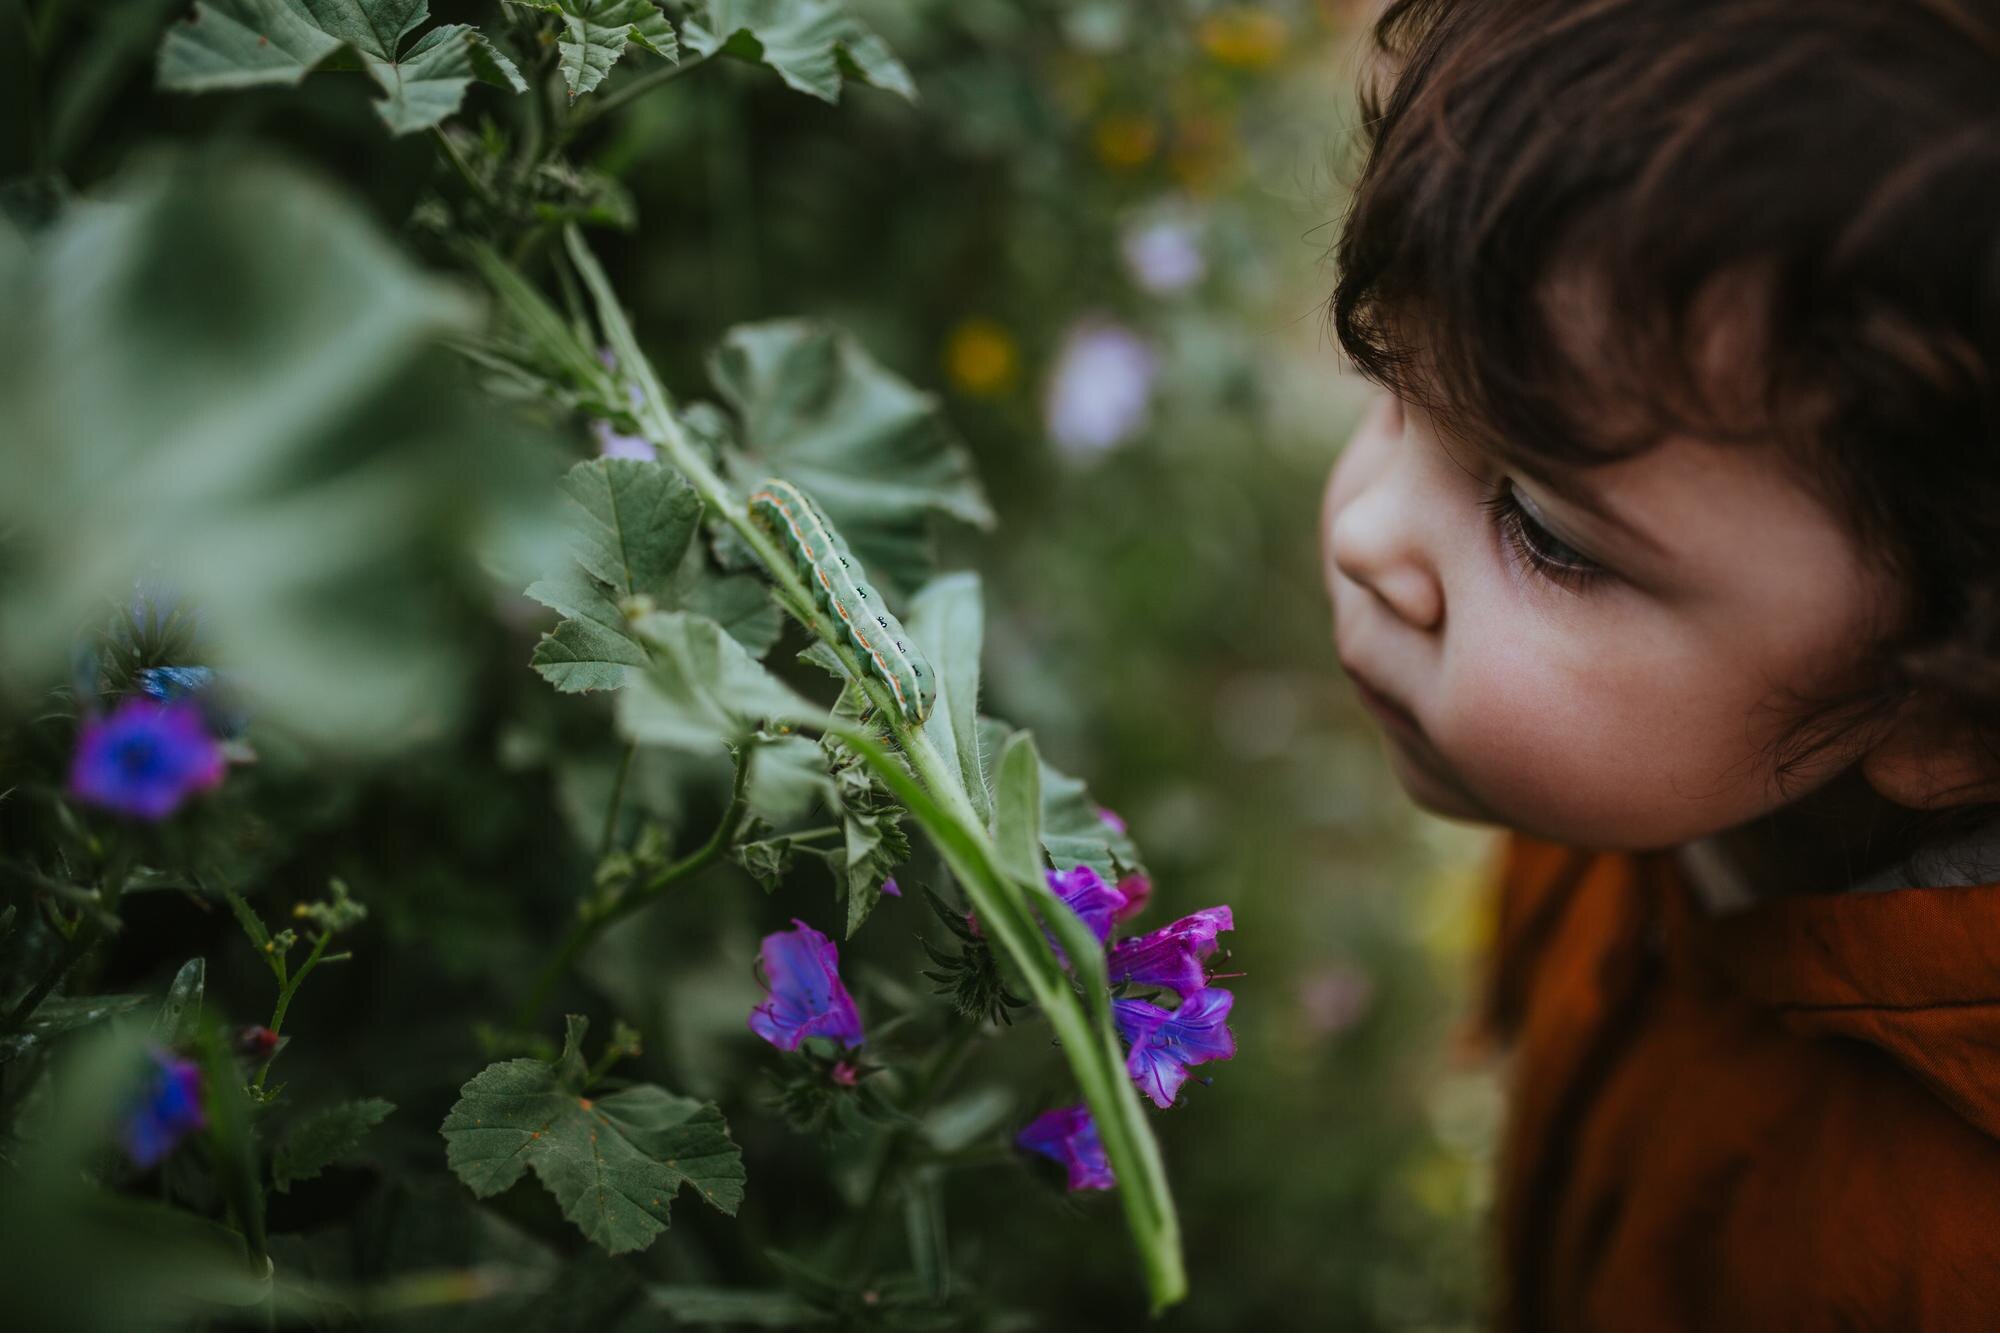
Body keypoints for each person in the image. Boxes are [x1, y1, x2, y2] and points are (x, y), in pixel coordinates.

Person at [1318, 1, 2000, 1327]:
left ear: (1951, 706)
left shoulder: (1945, 1256)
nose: (1362, 531)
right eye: (1389, 384)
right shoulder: (1670, 771)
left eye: (1542, 529)